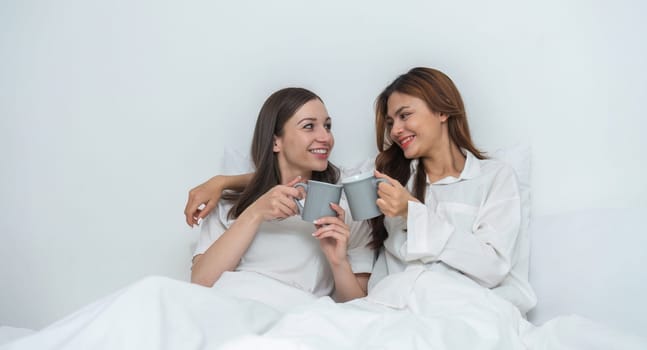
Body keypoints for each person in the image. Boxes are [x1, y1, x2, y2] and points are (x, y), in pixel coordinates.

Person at [183, 67, 536, 314]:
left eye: (404, 115)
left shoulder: (491, 177)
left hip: (453, 305)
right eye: (390, 121)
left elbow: (492, 266)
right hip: (393, 309)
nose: (396, 130)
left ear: (442, 111)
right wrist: (226, 182)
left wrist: (411, 211)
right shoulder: (386, 174)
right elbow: (305, 173)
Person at [191, 87, 373, 303]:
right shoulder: (229, 204)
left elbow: (357, 308)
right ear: (276, 141)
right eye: (309, 126)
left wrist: (338, 262)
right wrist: (255, 213)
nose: (325, 137)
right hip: (234, 307)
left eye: (328, 126)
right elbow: (199, 284)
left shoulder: (346, 209)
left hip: (300, 316)